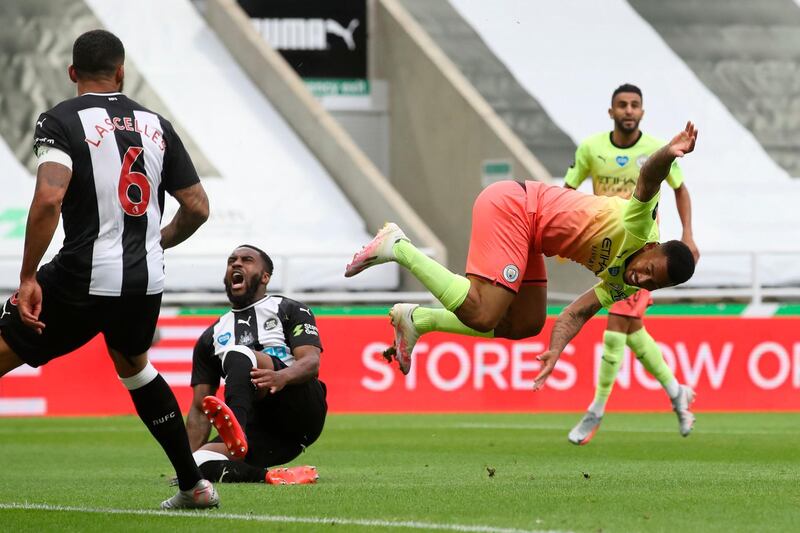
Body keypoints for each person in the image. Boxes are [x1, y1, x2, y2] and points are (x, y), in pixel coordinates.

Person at [0, 30, 218, 509]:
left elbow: (50, 197)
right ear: (121, 72)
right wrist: (154, 244)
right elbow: (198, 207)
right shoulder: (156, 124)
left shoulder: (59, 120)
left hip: (83, 275)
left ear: (72, 73)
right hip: (144, 282)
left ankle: (194, 485)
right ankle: (194, 486)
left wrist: (29, 277)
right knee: (135, 367)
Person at [345, 123, 699, 411]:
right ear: (653, 248)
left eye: (652, 285)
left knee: (526, 323)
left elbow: (576, 313)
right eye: (649, 270)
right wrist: (668, 153)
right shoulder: (640, 225)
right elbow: (649, 178)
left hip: (531, 237)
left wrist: (557, 349)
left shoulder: (627, 285)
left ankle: (419, 319)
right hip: (515, 207)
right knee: (484, 313)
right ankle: (399, 247)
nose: (642, 279)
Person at [563, 84, 700, 445]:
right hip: (607, 248)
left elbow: (679, 189)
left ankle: (596, 409)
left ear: (642, 111)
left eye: (634, 105)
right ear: (611, 112)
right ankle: (676, 393)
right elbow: (568, 188)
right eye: (622, 105)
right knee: (631, 329)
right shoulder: (591, 148)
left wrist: (687, 235)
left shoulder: (653, 149)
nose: (628, 110)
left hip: (642, 258)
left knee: (617, 325)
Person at [185, 245, 326, 485]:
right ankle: (271, 476)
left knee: (238, 353)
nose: (236, 264)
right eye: (232, 261)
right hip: (265, 433)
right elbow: (200, 408)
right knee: (195, 464)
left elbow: (311, 361)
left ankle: (236, 429)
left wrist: (282, 377)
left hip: (300, 407)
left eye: (247, 260)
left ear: (265, 276)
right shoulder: (210, 337)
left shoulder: (290, 309)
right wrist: (186, 468)